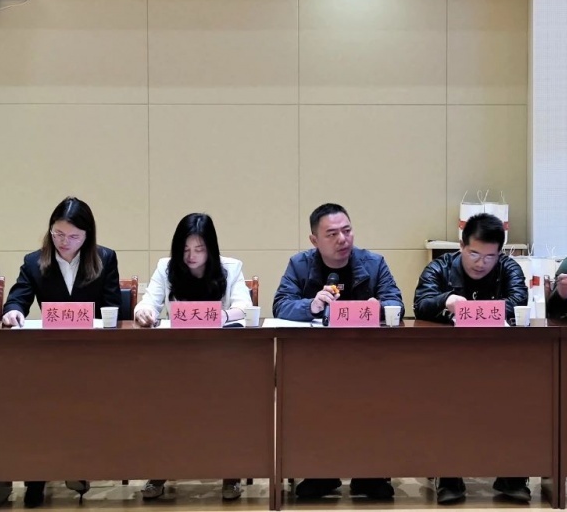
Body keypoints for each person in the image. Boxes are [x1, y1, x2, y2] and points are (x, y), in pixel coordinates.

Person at [272, 203, 403, 500]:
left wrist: (379, 308)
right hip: (318, 361)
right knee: (313, 402)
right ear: (314, 240)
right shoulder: (300, 265)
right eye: (332, 234)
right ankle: (321, 473)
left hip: (368, 359)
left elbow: (395, 302)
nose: (342, 239)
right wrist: (311, 305)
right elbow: (280, 305)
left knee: (375, 403)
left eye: (347, 230)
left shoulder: (374, 263)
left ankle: (369, 475)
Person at [1, 197, 120, 508]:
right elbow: (18, 298)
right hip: (49, 355)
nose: (65, 242)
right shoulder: (34, 262)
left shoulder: (105, 258)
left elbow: (113, 308)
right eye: (58, 234)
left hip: (92, 355)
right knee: (39, 408)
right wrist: (13, 311)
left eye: (74, 236)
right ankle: (36, 477)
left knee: (83, 407)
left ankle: (77, 466)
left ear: (87, 236)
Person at [133, 213, 252, 501]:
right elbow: (147, 303)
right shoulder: (166, 267)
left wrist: (220, 316)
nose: (191, 256)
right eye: (185, 249)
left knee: (229, 406)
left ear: (211, 248)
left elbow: (245, 308)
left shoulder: (230, 268)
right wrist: (143, 312)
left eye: (199, 249)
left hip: (221, 358)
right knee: (162, 406)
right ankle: (159, 470)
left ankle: (231, 473)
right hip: (177, 357)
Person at [413, 213, 530, 503]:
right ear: (462, 246)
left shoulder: (509, 268)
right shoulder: (439, 268)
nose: (481, 263)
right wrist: (445, 300)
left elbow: (518, 302)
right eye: (474, 254)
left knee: (521, 397)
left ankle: (513, 474)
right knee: (445, 400)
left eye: (490, 256)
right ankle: (449, 475)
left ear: (499, 252)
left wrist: (475, 310)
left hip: (500, 360)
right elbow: (420, 305)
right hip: (449, 360)